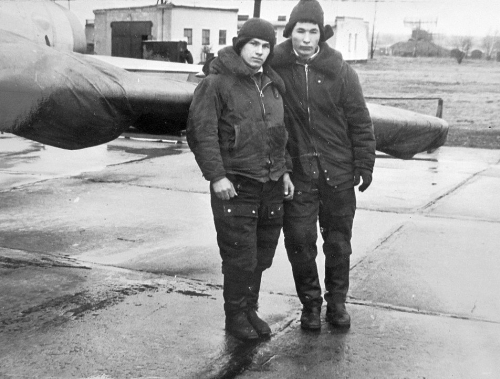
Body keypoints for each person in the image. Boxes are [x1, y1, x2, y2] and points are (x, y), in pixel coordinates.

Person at [271, 0, 376, 330]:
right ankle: (311, 304)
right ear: (290, 33)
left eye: (312, 31)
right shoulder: (276, 68)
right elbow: (239, 68)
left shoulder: (342, 72)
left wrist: (365, 162)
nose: (305, 38)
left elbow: (360, 120)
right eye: (300, 31)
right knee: (300, 240)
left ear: (321, 34)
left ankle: (337, 303)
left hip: (339, 171)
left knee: (338, 243)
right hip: (299, 172)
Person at [186, 18, 294, 340]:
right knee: (239, 256)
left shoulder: (272, 87)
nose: (260, 52)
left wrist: (285, 170)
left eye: (265, 46)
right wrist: (217, 176)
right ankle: (235, 318)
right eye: (254, 45)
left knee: (261, 254)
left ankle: (250, 311)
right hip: (236, 185)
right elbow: (200, 132)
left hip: (271, 183)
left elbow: (279, 135)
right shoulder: (216, 84)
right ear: (240, 45)